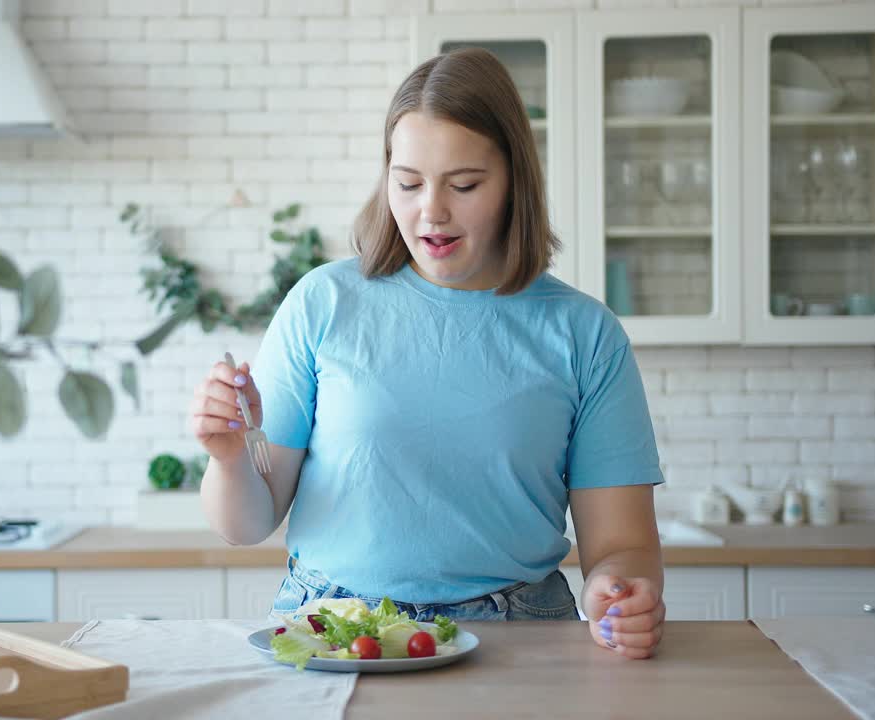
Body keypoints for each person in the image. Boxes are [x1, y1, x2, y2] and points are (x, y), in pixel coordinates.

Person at [190, 48, 666, 660]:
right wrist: (229, 459)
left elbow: (623, 544)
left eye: (464, 185)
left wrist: (618, 592)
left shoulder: (585, 333)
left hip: (517, 634)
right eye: (408, 183)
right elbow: (244, 525)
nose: (430, 211)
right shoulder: (322, 303)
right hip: (334, 630)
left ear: (515, 181)